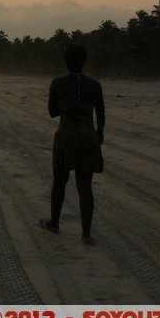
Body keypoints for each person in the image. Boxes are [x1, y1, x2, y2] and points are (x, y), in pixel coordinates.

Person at [40, 44, 105, 245]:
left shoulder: (57, 83)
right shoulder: (95, 85)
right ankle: (86, 234)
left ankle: (54, 223)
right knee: (85, 188)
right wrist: (99, 134)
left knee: (59, 182)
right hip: (88, 138)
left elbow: (52, 111)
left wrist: (69, 107)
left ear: (66, 61)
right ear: (84, 61)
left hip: (66, 138)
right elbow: (101, 115)